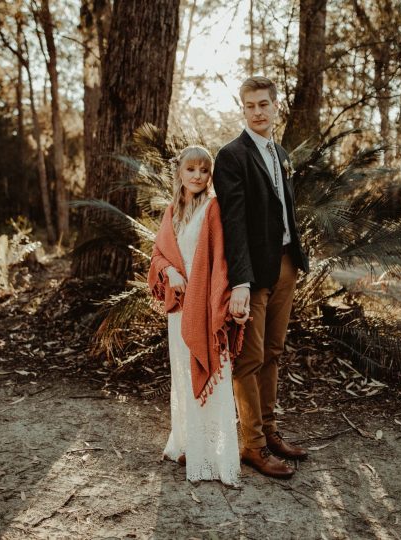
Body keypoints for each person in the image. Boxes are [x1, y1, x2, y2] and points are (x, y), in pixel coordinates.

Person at [212, 76, 310, 479]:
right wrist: (240, 281)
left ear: (275, 106)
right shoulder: (231, 156)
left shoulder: (279, 152)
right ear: (243, 109)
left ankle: (269, 431)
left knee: (273, 351)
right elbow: (232, 223)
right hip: (251, 275)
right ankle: (251, 445)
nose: (258, 111)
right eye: (250, 105)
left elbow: (283, 209)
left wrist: (298, 257)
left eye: (264, 104)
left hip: (285, 264)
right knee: (248, 360)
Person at [147, 145, 248, 486]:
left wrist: (220, 302)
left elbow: (221, 259)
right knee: (182, 376)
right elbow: (158, 254)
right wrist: (169, 272)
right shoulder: (171, 212)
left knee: (213, 378)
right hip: (179, 309)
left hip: (205, 304)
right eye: (191, 170)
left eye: (204, 171)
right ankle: (189, 443)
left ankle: (214, 457)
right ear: (179, 173)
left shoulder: (212, 208)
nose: (197, 176)